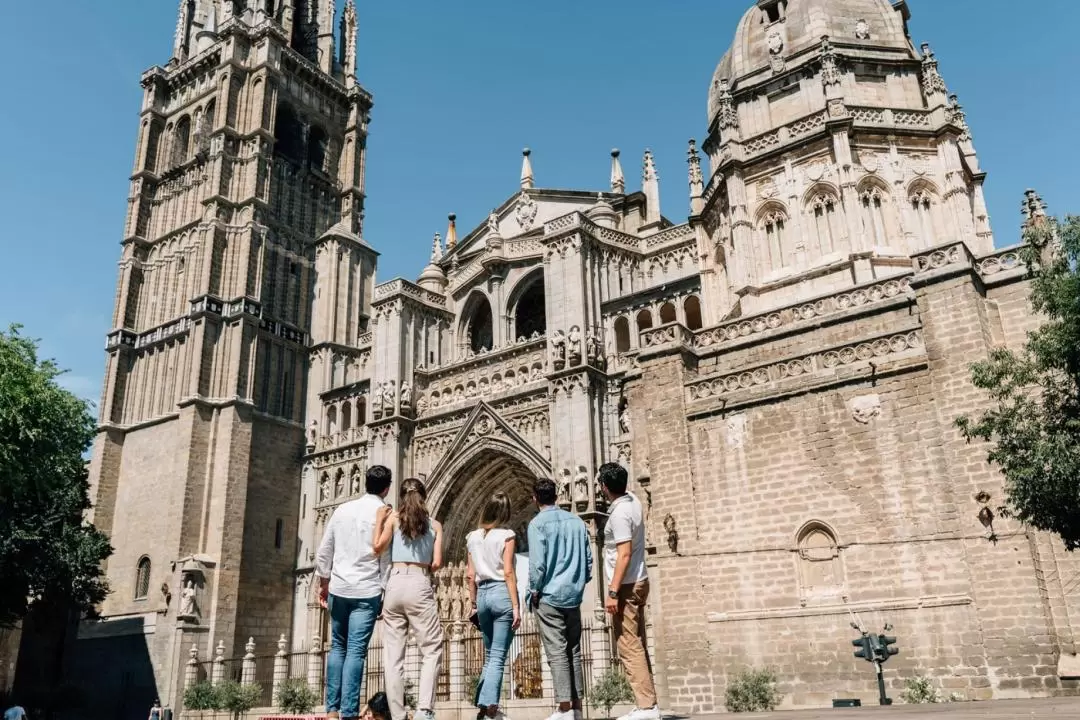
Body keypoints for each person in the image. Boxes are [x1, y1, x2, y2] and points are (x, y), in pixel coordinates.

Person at [315, 465, 394, 720]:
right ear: (387, 488)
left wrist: (323, 583)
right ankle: (349, 712)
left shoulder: (342, 510)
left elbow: (325, 551)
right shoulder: (384, 513)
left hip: (339, 587)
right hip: (366, 591)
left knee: (337, 647)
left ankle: (332, 711)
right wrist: (383, 592)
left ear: (365, 483)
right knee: (356, 651)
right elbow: (385, 559)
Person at [373, 478, 444, 720]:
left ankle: (398, 714)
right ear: (423, 497)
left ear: (402, 497)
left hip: (394, 584)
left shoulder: (393, 519)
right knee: (431, 648)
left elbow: (377, 547)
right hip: (418, 580)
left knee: (393, 655)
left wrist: (379, 520)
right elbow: (436, 563)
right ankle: (424, 710)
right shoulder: (435, 525)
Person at [527, 478, 593, 720]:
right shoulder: (577, 521)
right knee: (573, 651)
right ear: (556, 495)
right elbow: (588, 561)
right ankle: (577, 707)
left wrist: (534, 590)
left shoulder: (537, 524)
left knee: (556, 652)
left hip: (549, 597)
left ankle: (564, 708)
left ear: (535, 499)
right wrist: (577, 585)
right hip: (573, 597)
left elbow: (538, 566)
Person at [599, 463, 659, 720]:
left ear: (604, 487)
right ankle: (648, 703)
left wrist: (612, 592)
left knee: (628, 644)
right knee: (637, 643)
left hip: (626, 585)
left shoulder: (620, 514)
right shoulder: (632, 501)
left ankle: (647, 707)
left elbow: (623, 555)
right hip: (639, 580)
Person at [466, 492, 521, 720]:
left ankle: (482, 708)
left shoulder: (472, 537)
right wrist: (516, 605)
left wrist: (473, 604)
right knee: (498, 656)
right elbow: (508, 572)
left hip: (483, 597)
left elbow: (470, 575)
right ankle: (491, 710)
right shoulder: (507, 535)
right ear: (505, 513)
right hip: (500, 593)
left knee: (490, 656)